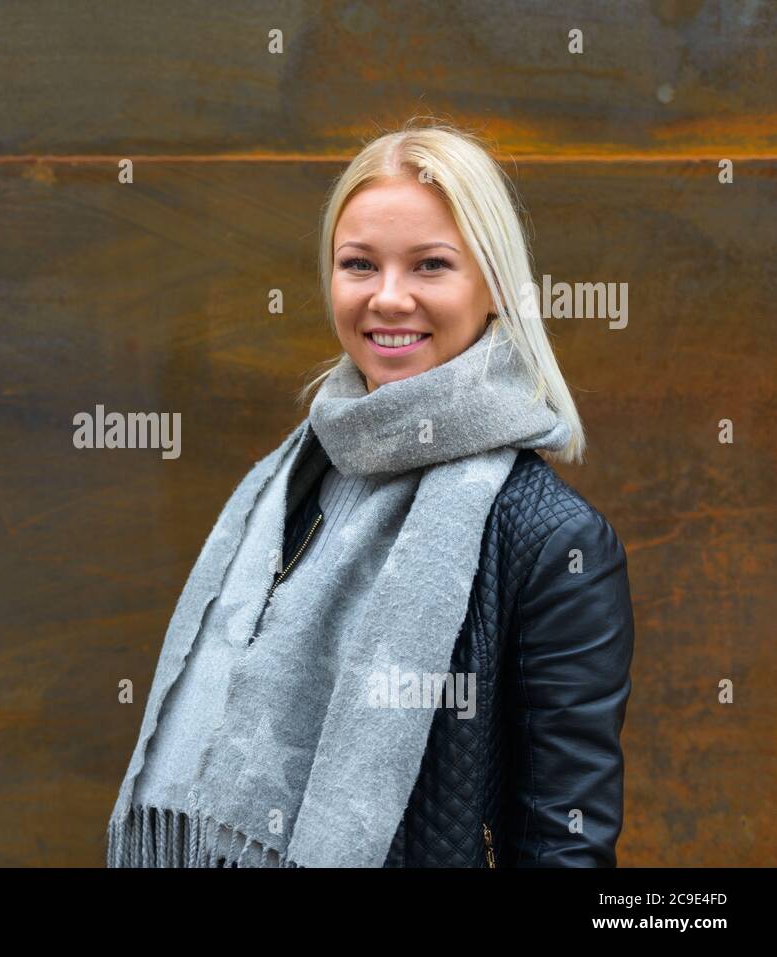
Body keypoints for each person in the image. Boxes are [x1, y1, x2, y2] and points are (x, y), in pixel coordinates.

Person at [105, 119, 635, 867]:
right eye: (359, 264)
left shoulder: (553, 541)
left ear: (493, 286)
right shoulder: (285, 484)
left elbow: (565, 845)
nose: (389, 298)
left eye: (429, 266)